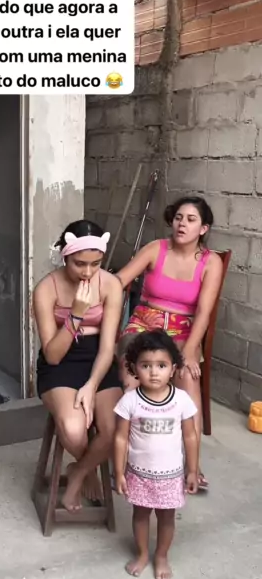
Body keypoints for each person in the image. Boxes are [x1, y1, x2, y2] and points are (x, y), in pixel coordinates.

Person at [116, 196, 223, 492]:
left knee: (187, 377)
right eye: (178, 218)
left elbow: (204, 312)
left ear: (203, 228)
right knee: (132, 374)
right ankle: (129, 460)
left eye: (191, 219)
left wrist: (188, 352)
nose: (182, 224)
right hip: (144, 323)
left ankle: (192, 464)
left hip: (183, 330)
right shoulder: (156, 249)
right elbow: (120, 280)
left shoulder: (211, 262)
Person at [33, 220, 123, 513]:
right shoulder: (46, 288)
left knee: (115, 428)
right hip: (61, 362)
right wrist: (76, 315)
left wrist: (91, 386)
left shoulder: (110, 285)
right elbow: (53, 355)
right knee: (73, 431)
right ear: (65, 256)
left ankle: (78, 472)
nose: (87, 272)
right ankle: (91, 469)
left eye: (95, 264)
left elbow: (108, 348)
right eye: (79, 264)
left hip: (99, 361)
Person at [114, 330, 199, 579]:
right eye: (146, 365)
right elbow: (120, 438)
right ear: (134, 369)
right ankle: (142, 554)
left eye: (161, 365)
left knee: (166, 517)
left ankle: (161, 556)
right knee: (140, 515)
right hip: (139, 474)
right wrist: (119, 472)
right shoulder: (130, 401)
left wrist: (192, 470)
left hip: (171, 476)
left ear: (173, 369)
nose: (153, 372)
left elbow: (190, 436)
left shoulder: (181, 400)